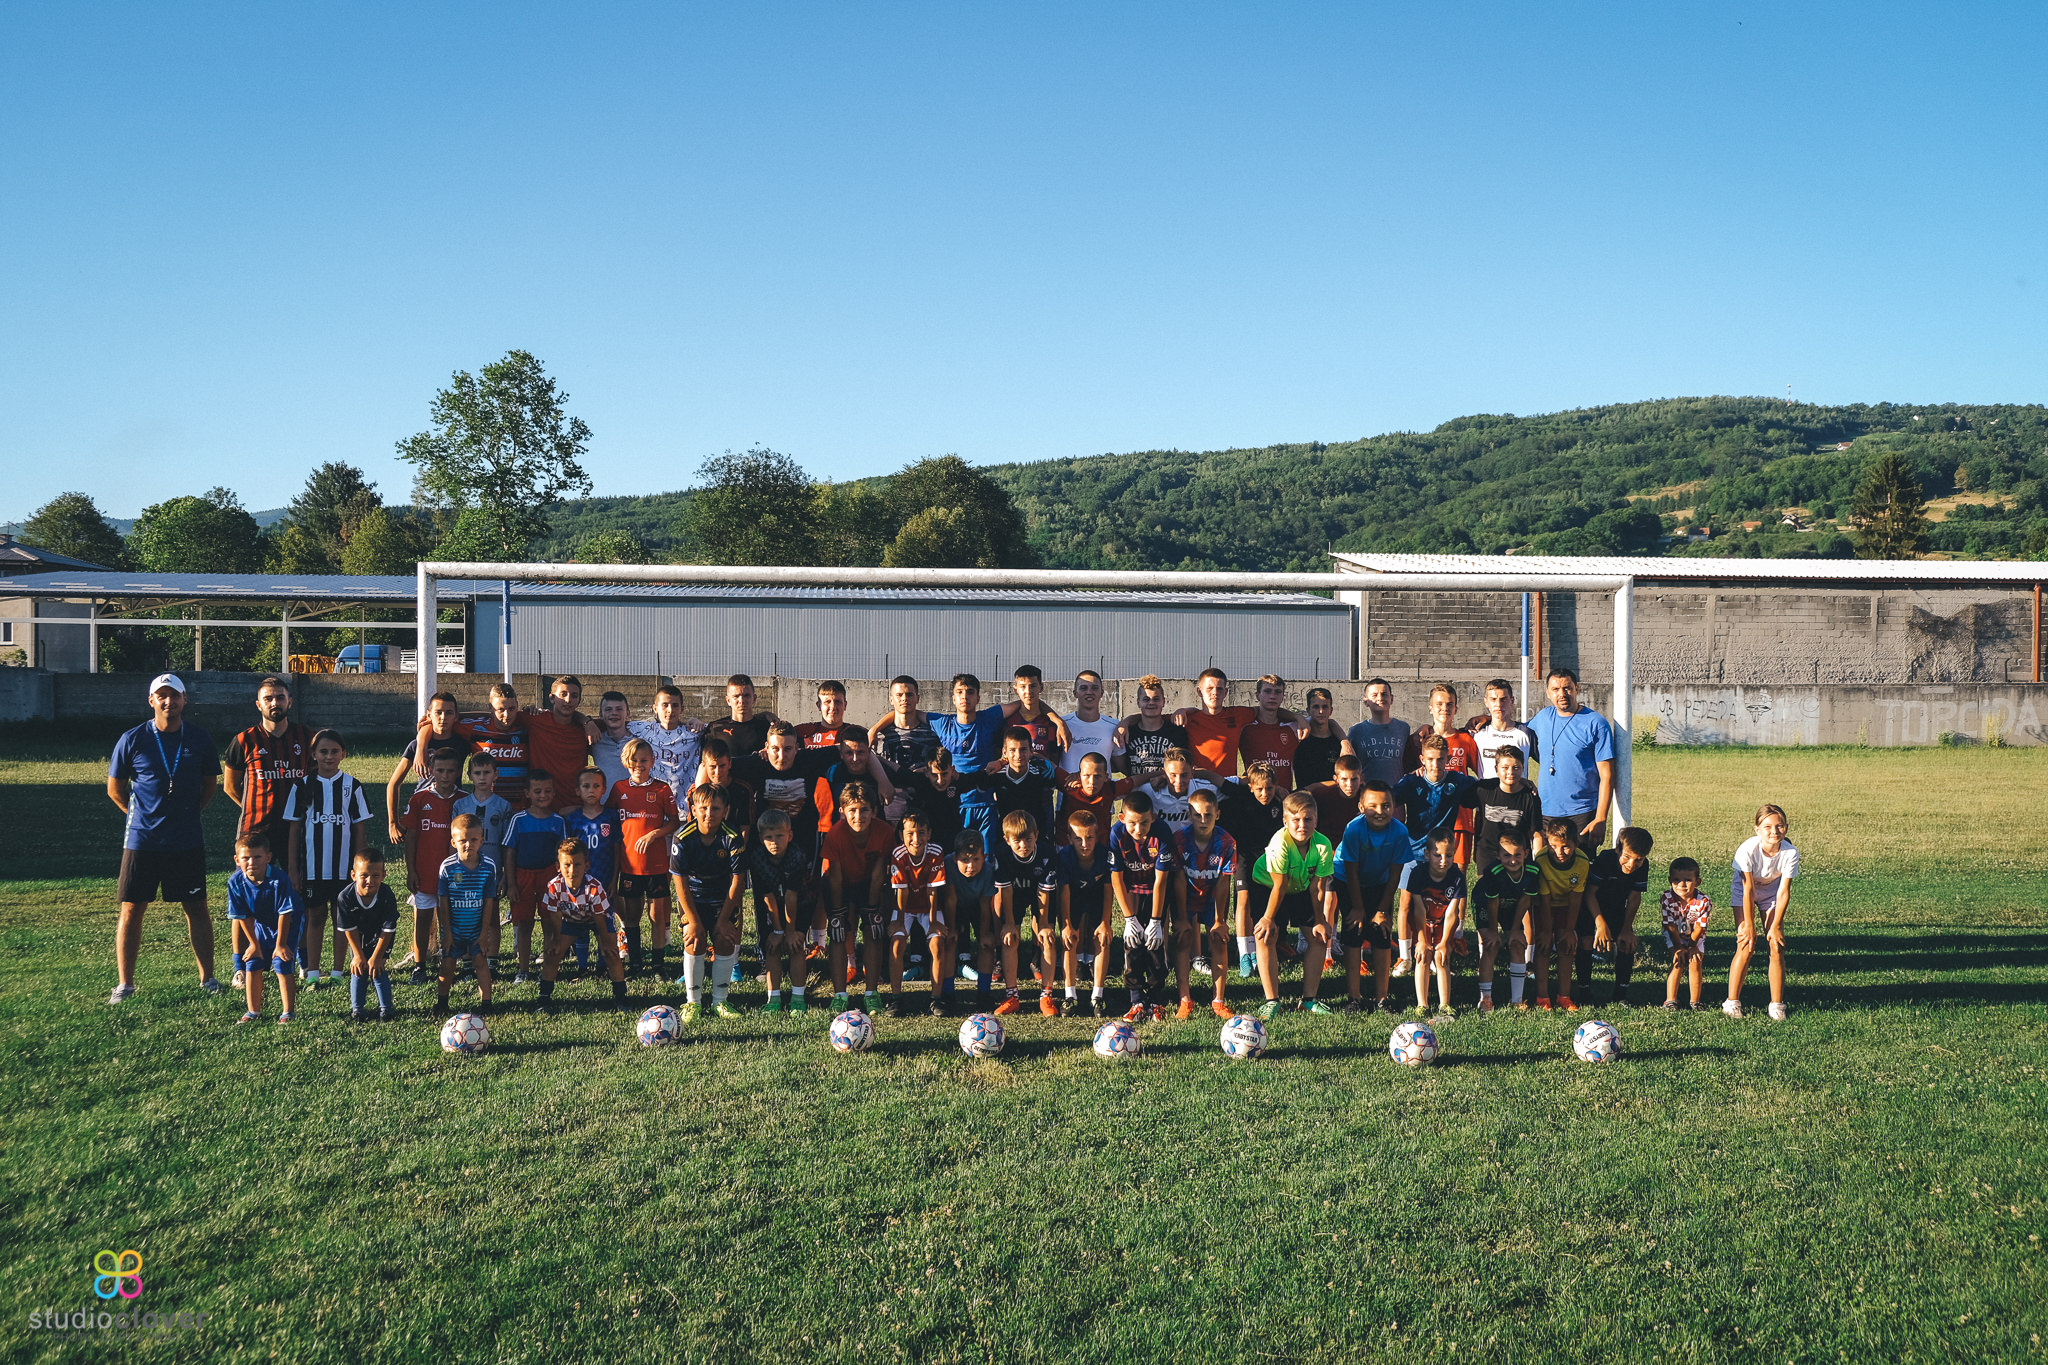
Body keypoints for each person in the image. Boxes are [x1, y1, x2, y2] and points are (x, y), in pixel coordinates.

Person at [108, 674, 222, 1003]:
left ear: (185, 700)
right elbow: (115, 788)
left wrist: (187, 814)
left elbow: (209, 785)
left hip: (185, 839)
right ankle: (125, 984)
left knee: (196, 907)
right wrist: (139, 816)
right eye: (162, 696)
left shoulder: (199, 738)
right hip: (142, 840)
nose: (168, 701)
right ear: (152, 701)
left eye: (174, 695)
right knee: (132, 908)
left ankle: (208, 978)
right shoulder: (132, 739)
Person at [220, 675, 313, 974]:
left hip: (296, 830)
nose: (275, 703)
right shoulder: (244, 740)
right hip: (255, 831)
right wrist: (255, 807)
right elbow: (230, 786)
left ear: (290, 702)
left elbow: (314, 780)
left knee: (297, 894)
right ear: (258, 704)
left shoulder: (306, 738)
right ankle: (241, 965)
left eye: (280, 697)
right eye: (269, 698)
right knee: (245, 897)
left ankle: (302, 961)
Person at [282, 728, 371, 993]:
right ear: (313, 754)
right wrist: (293, 869)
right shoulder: (302, 786)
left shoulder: (352, 786)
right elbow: (294, 830)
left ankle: (337, 972)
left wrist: (360, 867)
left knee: (342, 918)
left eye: (334, 751)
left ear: (343, 754)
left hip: (345, 869)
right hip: (313, 868)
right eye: (323, 751)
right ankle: (312, 973)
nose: (329, 756)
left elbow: (359, 829)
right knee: (315, 917)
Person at [1249, 790, 1336, 1018]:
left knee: (1319, 937)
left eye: (1308, 819)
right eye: (1295, 820)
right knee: (1266, 935)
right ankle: (1272, 1001)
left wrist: (1320, 921)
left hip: (1300, 888)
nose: (1302, 825)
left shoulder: (1323, 844)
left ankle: (1308, 1000)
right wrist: (1268, 919)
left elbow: (1318, 887)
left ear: (1316, 820)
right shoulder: (1279, 843)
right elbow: (1279, 886)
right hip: (1268, 887)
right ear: (1285, 821)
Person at [669, 784, 746, 1023]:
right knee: (694, 940)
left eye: (715, 808)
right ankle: (693, 1003)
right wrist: (693, 922)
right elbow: (680, 884)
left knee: (725, 939)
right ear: (693, 810)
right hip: (693, 897)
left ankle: (720, 1001)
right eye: (703, 808)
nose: (708, 813)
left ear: (726, 811)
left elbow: (738, 882)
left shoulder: (733, 837)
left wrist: (723, 920)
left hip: (723, 898)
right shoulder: (682, 837)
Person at [1333, 781, 1410, 1013]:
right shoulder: (1354, 829)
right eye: (1372, 806)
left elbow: (1395, 874)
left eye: (1386, 806)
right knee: (1354, 931)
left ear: (1394, 806)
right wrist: (1358, 908)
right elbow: (1351, 871)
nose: (1380, 811)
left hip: (1380, 882)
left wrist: (1382, 911)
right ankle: (1355, 997)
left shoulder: (1399, 831)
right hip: (1348, 880)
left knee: (1381, 932)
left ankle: (1382, 998)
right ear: (1361, 807)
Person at [820, 786, 895, 1015]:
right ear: (842, 811)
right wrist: (838, 912)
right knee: (838, 931)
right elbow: (835, 877)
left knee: (874, 929)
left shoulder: (884, 831)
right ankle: (840, 994)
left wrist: (872, 907)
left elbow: (879, 872)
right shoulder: (836, 834)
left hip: (870, 882)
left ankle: (872, 992)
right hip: (840, 883)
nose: (858, 816)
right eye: (852, 810)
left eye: (864, 810)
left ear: (874, 811)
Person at [610, 738, 680, 975]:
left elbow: (674, 822)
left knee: (656, 916)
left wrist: (653, 835)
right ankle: (635, 964)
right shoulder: (619, 789)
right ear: (625, 761)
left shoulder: (661, 789)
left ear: (652, 761)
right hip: (630, 865)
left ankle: (658, 965)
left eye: (643, 760)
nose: (638, 765)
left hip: (656, 865)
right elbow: (609, 817)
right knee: (632, 916)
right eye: (633, 760)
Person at [1528, 668, 1616, 852]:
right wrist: (1488, 719)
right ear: (1548, 693)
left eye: (1567, 688)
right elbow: (1515, 732)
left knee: (1580, 865)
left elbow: (1607, 776)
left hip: (1582, 812)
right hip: (1545, 811)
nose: (1562, 694)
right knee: (1546, 866)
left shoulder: (1596, 724)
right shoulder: (1543, 718)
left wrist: (1600, 818)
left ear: (1577, 688)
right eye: (1555, 689)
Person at [1109, 791, 1180, 1022]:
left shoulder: (1162, 833)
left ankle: (1156, 999)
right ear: (1121, 819)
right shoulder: (1116, 834)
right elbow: (1117, 879)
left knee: (1155, 943)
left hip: (1155, 891)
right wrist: (1129, 919)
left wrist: (1156, 921)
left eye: (1144, 823)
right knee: (1132, 943)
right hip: (1132, 891)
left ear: (1154, 818)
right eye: (1132, 823)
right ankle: (1136, 1000)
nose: (1138, 830)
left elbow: (1161, 881)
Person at [1725, 804, 1799, 1021]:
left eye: (1779, 826)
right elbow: (1747, 889)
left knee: (1776, 945)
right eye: (1767, 827)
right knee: (1746, 943)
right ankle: (1731, 1002)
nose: (1774, 831)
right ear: (1757, 829)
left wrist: (1775, 926)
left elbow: (1784, 892)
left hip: (1771, 893)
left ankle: (1777, 1005)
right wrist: (1749, 925)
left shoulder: (1790, 853)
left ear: (1786, 828)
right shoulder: (1747, 850)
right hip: (1745, 891)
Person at [538, 838, 628, 1012]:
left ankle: (621, 997)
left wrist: (605, 942)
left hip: (598, 919)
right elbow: (554, 917)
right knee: (553, 953)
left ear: (587, 865)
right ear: (558, 866)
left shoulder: (594, 887)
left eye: (577, 865)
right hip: (571, 920)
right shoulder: (553, 887)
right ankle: (544, 998)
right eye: (567, 865)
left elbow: (599, 917)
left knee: (611, 953)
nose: (572, 870)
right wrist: (555, 940)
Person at [400, 747, 465, 985]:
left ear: (458, 772)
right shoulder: (419, 799)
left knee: (453, 920)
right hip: (425, 871)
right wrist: (411, 870)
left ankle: (451, 961)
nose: (445, 775)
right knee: (423, 920)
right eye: (440, 770)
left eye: (450, 771)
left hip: (455, 875)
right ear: (431, 770)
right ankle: (420, 965)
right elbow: (411, 838)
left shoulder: (464, 800)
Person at [1217, 762, 1286, 981]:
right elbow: (1218, 781)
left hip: (1268, 859)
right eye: (1259, 789)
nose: (1265, 794)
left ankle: (1257, 950)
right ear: (1250, 787)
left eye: (1269, 788)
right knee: (1243, 899)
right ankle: (1244, 954)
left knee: (1263, 904)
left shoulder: (1281, 804)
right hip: (1243, 856)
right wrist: (1197, 773)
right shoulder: (1240, 798)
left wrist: (1285, 794)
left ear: (1276, 786)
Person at [990, 810, 1062, 1016]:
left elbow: (1044, 892)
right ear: (1007, 840)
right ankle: (1011, 996)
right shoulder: (1002, 854)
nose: (1024, 846)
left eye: (1028, 839)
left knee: (1047, 938)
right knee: (1009, 938)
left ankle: (1046, 995)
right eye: (1017, 841)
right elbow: (1005, 890)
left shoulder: (1046, 853)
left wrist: (1044, 923)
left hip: (1040, 896)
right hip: (1014, 895)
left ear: (1036, 835)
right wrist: (1009, 923)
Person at [227, 832, 303, 1024]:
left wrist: (281, 944)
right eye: (246, 858)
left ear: (268, 857)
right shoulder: (235, 882)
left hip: (289, 922)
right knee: (253, 961)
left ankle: (288, 1012)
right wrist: (253, 944)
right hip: (261, 924)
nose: (251, 862)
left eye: (257, 857)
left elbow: (285, 913)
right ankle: (253, 1011)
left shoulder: (279, 879)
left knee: (282, 961)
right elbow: (243, 917)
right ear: (237, 860)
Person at [1176, 790, 1239, 1019]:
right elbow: (1178, 880)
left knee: (1219, 941)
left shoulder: (1226, 842)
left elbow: (1223, 883)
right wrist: (1181, 918)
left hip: (1212, 897)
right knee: (1183, 939)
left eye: (1208, 815)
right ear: (1189, 815)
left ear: (1217, 815)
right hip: (1187, 897)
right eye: (1197, 815)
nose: (1203, 820)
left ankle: (1218, 1001)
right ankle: (1185, 999)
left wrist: (1220, 920)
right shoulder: (1179, 840)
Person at [500, 773, 567, 983]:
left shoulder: (558, 821)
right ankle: (523, 969)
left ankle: (547, 967)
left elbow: (564, 852)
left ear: (554, 793)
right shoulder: (518, 819)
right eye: (537, 791)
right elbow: (509, 851)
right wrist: (511, 883)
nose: (543, 795)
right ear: (527, 793)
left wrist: (562, 882)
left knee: (549, 922)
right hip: (523, 876)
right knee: (524, 923)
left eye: (547, 791)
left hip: (549, 877)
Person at [1173, 668, 1296, 780]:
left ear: (1226, 692)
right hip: (1197, 785)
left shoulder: (1237, 715)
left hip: (1227, 786)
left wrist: (1297, 717)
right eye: (1210, 688)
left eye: (1219, 689)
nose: (1215, 693)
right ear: (1199, 691)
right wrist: (1183, 710)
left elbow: (1266, 709)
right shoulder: (1187, 719)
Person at [1406, 684, 1481, 867]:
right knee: (1424, 871)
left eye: (1449, 704)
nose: (1444, 708)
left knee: (1458, 872)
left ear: (1456, 708)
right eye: (1439, 704)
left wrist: (1484, 718)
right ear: (1430, 708)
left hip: (1460, 819)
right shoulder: (1419, 740)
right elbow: (1408, 775)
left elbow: (1481, 774)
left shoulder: (1466, 739)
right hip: (1427, 819)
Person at [749, 810, 814, 1015]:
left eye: (779, 835)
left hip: (801, 902)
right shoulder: (757, 858)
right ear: (761, 838)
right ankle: (773, 998)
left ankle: (798, 998)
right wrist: (778, 931)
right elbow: (767, 896)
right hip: (771, 904)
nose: (774, 842)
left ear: (790, 835)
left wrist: (790, 930)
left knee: (795, 946)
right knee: (772, 947)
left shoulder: (797, 856)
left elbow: (792, 896)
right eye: (769, 837)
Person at [560, 766, 624, 974]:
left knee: (603, 923)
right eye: (586, 786)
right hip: (579, 883)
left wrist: (614, 880)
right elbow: (567, 853)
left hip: (604, 880)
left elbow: (616, 849)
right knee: (580, 922)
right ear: (577, 790)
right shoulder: (573, 819)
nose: (591, 790)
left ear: (604, 789)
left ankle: (603, 964)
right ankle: (582, 966)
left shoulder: (611, 817)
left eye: (596, 786)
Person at [887, 809, 951, 1018]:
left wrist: (933, 922)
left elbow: (933, 889)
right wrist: (898, 920)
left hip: (929, 907)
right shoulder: (898, 854)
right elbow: (901, 890)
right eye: (910, 833)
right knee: (897, 944)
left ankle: (936, 998)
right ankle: (896, 998)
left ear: (929, 833)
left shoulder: (935, 851)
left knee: (937, 944)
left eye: (921, 833)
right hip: (904, 907)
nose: (916, 839)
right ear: (901, 835)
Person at [435, 813, 498, 1016]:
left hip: (476, 930)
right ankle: (442, 1003)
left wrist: (484, 933)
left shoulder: (488, 867)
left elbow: (489, 902)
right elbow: (443, 902)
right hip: (454, 930)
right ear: (453, 842)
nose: (468, 845)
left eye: (473, 840)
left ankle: (486, 1004)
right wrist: (446, 932)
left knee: (481, 964)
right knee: (447, 966)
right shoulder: (447, 867)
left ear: (482, 840)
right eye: (462, 840)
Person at [1583, 827, 1653, 1007]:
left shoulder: (1643, 866)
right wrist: (1600, 925)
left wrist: (1627, 929)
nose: (1632, 864)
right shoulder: (1605, 860)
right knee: (1585, 941)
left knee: (1626, 943)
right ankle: (1584, 992)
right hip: (1590, 907)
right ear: (1617, 849)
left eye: (1638, 859)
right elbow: (1590, 894)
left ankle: (1620, 995)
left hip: (1616, 908)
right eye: (1627, 857)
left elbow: (1634, 897)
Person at [1402, 830, 1468, 1021]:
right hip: (1421, 922)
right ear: (1427, 854)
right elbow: (1418, 909)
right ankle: (1422, 1004)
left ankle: (1444, 1004)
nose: (1443, 861)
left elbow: (1452, 912)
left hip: (1442, 922)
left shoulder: (1457, 877)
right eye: (1437, 855)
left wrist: (1445, 942)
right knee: (1423, 957)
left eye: (1449, 855)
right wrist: (1422, 940)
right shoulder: (1417, 874)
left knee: (1441, 957)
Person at [1057, 808, 1116, 1018]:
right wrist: (1066, 925)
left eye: (1090, 837)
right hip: (1072, 898)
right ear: (1069, 838)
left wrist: (1105, 922)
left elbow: (1108, 889)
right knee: (1069, 940)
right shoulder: (1064, 857)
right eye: (1078, 838)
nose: (1084, 844)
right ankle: (1070, 995)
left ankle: (1097, 995)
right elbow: (1064, 891)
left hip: (1096, 897)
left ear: (1097, 836)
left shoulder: (1105, 855)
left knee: (1102, 939)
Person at [385, 690, 464, 845]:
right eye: (438, 712)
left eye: (449, 713)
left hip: (452, 806)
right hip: (422, 807)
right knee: (418, 849)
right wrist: (393, 822)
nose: (443, 717)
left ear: (456, 716)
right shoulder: (416, 746)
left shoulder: (462, 743)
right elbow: (393, 783)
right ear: (429, 715)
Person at [1474, 830, 1542, 1011]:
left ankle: (1517, 999)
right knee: (1491, 945)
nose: (1512, 860)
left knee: (1518, 944)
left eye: (1517, 855)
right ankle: (1485, 998)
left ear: (1526, 853)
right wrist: (1493, 931)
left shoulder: (1533, 870)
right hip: (1485, 904)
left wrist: (1515, 929)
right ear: (1497, 855)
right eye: (1506, 855)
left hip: (1512, 905)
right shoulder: (1493, 872)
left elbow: (1525, 901)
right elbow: (1493, 902)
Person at [954, 726, 1059, 842]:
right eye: (1012, 750)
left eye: (1023, 749)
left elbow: (1063, 782)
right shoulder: (997, 773)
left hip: (1035, 837)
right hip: (1006, 838)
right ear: (1005, 752)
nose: (1018, 755)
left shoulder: (1041, 771)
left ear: (1031, 751)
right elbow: (967, 782)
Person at [1532, 816, 1592, 1011]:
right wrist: (1546, 930)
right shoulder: (1541, 860)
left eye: (1565, 847)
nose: (1559, 852)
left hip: (1566, 906)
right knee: (1543, 946)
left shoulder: (1582, 862)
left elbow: (1576, 898)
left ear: (1575, 844)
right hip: (1543, 906)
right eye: (1553, 846)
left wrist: (1569, 930)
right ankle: (1542, 997)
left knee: (1567, 947)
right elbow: (1544, 897)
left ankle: (1564, 997)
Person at [334, 846, 399, 1023]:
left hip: (382, 938)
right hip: (358, 937)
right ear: (353, 875)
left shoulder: (387, 895)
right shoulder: (345, 897)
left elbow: (388, 930)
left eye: (375, 876)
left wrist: (377, 957)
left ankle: (386, 1009)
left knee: (377, 969)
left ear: (384, 875)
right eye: (364, 876)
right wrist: (358, 955)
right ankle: (357, 1010)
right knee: (359, 969)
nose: (370, 881)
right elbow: (349, 929)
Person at [522, 676, 599, 815]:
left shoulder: (588, 729)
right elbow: (501, 715)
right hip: (541, 808)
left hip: (575, 809)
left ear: (579, 700)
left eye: (574, 696)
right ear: (552, 698)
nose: (568, 700)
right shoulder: (535, 720)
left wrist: (587, 721)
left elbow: (618, 724)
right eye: (563, 694)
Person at [1469, 747, 1543, 886]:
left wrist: (1537, 864)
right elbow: (1459, 797)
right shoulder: (1484, 789)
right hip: (1488, 854)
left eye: (1516, 768)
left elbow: (1537, 834)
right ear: (1496, 769)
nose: (1510, 772)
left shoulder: (1530, 796)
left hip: (1518, 856)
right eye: (1505, 767)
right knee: (1488, 894)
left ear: (1523, 769)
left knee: (1518, 896)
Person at [942, 832, 997, 1014]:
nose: (971, 866)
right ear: (955, 857)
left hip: (977, 906)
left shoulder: (988, 870)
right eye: (965, 860)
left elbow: (985, 904)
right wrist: (951, 928)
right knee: (949, 942)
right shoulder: (948, 864)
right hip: (955, 905)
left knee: (987, 944)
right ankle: (948, 994)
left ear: (984, 857)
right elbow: (950, 899)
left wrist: (984, 933)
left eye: (976, 859)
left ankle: (983, 993)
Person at [626, 684, 706, 796]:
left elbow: (720, 728)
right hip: (654, 800)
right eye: (665, 705)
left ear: (682, 709)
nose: (670, 710)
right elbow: (614, 723)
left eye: (675, 705)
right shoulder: (644, 730)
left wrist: (697, 722)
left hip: (685, 803)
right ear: (655, 708)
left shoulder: (694, 733)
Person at [1660, 857, 1712, 1011]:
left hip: (1695, 936)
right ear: (1670, 880)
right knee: (1678, 961)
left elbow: (1699, 927)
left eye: (1688, 880)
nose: (1681, 884)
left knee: (1695, 961)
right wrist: (1678, 947)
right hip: (1674, 934)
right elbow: (1670, 926)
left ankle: (1695, 1001)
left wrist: (1691, 946)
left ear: (1698, 881)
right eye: (1676, 880)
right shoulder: (1666, 898)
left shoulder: (1703, 901)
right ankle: (1670, 1000)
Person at [1119, 675, 1192, 782]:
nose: (1151, 703)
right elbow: (1123, 767)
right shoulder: (1129, 732)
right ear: (1138, 702)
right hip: (1137, 789)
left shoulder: (1177, 732)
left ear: (1164, 702)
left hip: (1167, 789)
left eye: (1156, 699)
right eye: (1146, 699)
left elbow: (1183, 766)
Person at [1237, 674, 1303, 791]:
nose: (1272, 696)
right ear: (1258, 695)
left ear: (1283, 697)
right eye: (1267, 691)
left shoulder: (1294, 727)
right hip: (1256, 794)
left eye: (1278, 692)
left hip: (1285, 795)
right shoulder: (1244, 727)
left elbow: (1325, 723)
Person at [1056, 751, 1133, 845]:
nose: (1092, 782)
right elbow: (1049, 766)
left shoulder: (1110, 789)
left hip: (1099, 848)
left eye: (1097, 776)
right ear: (1079, 775)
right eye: (1087, 775)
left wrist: (1151, 775)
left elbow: (1135, 780)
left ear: (1106, 777)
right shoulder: (1070, 784)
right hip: (1067, 846)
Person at [870, 676, 941, 776]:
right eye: (899, 695)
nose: (904, 699)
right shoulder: (878, 736)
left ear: (918, 698)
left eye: (909, 694)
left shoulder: (933, 734)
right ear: (891, 700)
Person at [1346, 678, 1410, 787]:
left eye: (1384, 694)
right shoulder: (1356, 731)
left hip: (1396, 793)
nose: (1380, 698)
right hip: (1368, 793)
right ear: (1366, 701)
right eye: (1374, 695)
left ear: (1391, 699)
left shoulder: (1403, 728)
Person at [1007, 663, 1074, 765]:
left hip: (1043, 775)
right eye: (1023, 686)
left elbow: (1055, 760)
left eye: (1033, 686)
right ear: (1015, 690)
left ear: (1041, 688)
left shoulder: (1052, 724)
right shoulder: (1008, 722)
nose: (1028, 691)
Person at [1059, 669, 1124, 775]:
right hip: (1068, 786)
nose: (1089, 692)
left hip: (1104, 786)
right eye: (1083, 688)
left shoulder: (1115, 727)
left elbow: (1123, 767)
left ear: (1101, 693)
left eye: (1094, 688)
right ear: (1075, 693)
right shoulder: (1062, 725)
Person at [1472, 678, 1537, 780]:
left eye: (1503, 699)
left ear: (1512, 700)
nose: (1498, 704)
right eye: (1493, 699)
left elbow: (1548, 762)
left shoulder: (1526, 734)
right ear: (1486, 702)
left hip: (1517, 790)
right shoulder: (1476, 733)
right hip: (1485, 790)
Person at [706, 674, 778, 757]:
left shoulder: (767, 727)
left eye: (746, 695)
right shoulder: (715, 729)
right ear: (728, 700)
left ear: (754, 698)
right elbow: (704, 761)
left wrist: (770, 751)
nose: (742, 700)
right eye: (736, 696)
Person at [1293, 686, 1350, 787]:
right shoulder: (1300, 741)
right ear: (1308, 710)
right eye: (1316, 707)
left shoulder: (1339, 743)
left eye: (1325, 707)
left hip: (1334, 796)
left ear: (1331, 710)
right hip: (1306, 796)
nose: (1321, 711)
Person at [793, 680, 857, 751]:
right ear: (819, 705)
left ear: (845, 705)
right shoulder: (801, 732)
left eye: (838, 702)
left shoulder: (855, 734)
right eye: (827, 702)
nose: (833, 707)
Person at [590, 690, 633, 790]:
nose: (614, 713)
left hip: (634, 799)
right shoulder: (595, 740)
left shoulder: (640, 741)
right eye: (608, 709)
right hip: (604, 799)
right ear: (601, 714)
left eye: (619, 709)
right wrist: (586, 721)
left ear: (627, 713)